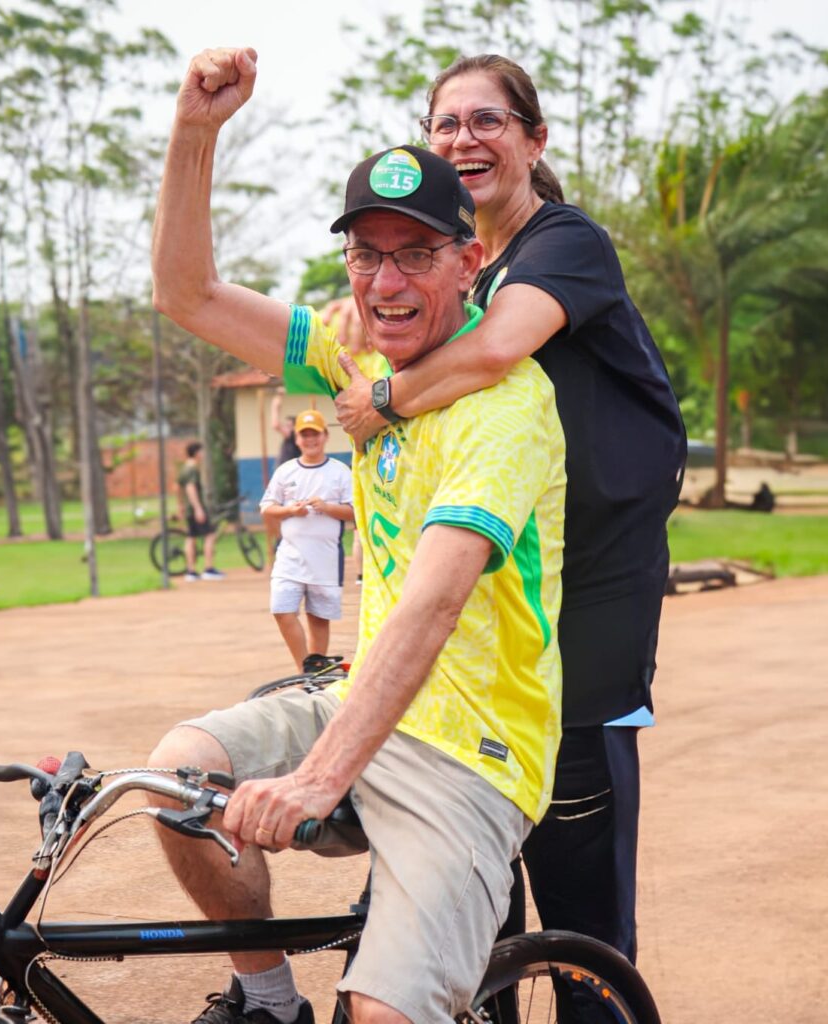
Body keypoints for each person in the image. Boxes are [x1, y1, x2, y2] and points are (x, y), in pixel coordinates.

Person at [150, 47, 566, 1024]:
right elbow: (189, 295)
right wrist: (195, 131)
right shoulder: (350, 353)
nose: (386, 280)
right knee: (178, 774)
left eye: (416, 252)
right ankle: (267, 1001)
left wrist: (317, 775)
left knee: (384, 1011)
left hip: (474, 743)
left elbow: (434, 597)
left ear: (471, 262)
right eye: (367, 253)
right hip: (358, 700)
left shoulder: (505, 409)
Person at [332, 54, 688, 965]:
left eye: (487, 120)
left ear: (533, 138)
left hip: (593, 594)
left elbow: (494, 351)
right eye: (445, 125)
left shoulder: (565, 243)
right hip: (502, 598)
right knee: (470, 881)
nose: (464, 139)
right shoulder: (455, 269)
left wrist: (386, 400)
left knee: (577, 889)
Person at [260, 408, 354, 671]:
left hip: (324, 558)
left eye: (315, 434)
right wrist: (291, 510)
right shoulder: (285, 471)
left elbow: (355, 512)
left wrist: (325, 507)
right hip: (289, 556)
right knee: (282, 609)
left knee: (319, 617)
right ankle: (304, 669)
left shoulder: (339, 472)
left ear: (325, 436)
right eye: (304, 435)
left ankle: (316, 671)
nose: (310, 440)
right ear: (297, 439)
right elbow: (266, 507)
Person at [179, 441, 225, 581]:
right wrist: (198, 508)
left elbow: (178, 488)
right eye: (202, 452)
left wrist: (181, 506)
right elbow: (190, 488)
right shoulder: (192, 469)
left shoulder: (183, 469)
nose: (203, 455)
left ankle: (191, 571)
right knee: (210, 535)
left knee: (191, 537)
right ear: (197, 453)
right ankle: (208, 568)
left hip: (188, 508)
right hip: (195, 508)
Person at [270, 388, 301, 466]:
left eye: (288, 426)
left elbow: (276, 424)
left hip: (288, 467)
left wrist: (278, 398)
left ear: (294, 427)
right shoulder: (295, 436)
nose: (285, 427)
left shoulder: (293, 435)